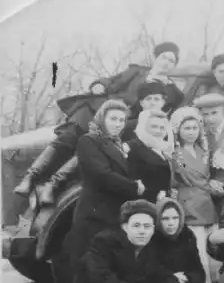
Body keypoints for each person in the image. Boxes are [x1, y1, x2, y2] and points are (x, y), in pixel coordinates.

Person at [13, 42, 182, 204]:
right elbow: (111, 81)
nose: (166, 62)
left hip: (125, 122)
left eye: (171, 60)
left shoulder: (174, 92)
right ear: (155, 58)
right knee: (69, 136)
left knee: (94, 145)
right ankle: (30, 177)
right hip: (101, 109)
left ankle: (53, 185)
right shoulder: (137, 72)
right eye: (163, 57)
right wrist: (99, 85)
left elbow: (166, 118)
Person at [62, 100, 145, 279]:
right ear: (102, 119)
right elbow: (101, 174)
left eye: (121, 120)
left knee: (108, 269)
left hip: (113, 214)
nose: (118, 124)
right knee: (89, 268)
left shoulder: (118, 144)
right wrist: (133, 186)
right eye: (113, 119)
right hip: (95, 215)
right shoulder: (89, 141)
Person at [170, 106, 219, 283]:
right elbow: (187, 179)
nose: (191, 132)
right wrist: (211, 186)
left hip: (207, 205)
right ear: (178, 130)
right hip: (189, 204)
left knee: (214, 251)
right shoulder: (175, 153)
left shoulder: (204, 151)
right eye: (186, 128)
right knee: (198, 252)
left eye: (194, 128)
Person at [154, 198, 209, 283]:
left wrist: (186, 278)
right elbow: (151, 270)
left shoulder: (187, 235)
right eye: (165, 218)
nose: (171, 223)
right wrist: (173, 279)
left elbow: (199, 271)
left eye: (175, 218)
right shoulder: (152, 238)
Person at [126, 110, 175, 203]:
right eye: (153, 126)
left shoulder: (164, 148)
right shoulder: (132, 147)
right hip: (142, 203)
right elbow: (130, 181)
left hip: (163, 203)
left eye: (162, 128)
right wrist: (156, 194)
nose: (158, 131)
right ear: (143, 126)